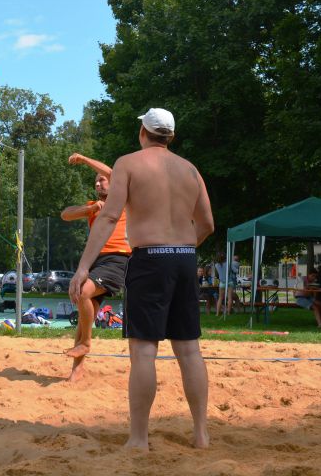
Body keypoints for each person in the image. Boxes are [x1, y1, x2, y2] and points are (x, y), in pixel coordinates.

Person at [69, 107, 214, 450]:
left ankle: (138, 439)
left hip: (149, 259)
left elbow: (109, 218)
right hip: (185, 258)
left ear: (143, 133)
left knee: (144, 352)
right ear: (171, 137)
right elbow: (207, 225)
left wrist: (83, 267)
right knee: (189, 350)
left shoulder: (128, 163)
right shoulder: (190, 170)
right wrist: (180, 250)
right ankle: (201, 435)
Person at [60, 152, 131, 382]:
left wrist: (84, 159)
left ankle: (86, 343)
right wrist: (89, 210)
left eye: (102, 180)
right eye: (96, 182)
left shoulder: (124, 200)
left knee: (83, 292)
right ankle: (77, 370)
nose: (98, 183)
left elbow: (112, 172)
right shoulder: (94, 206)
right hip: (95, 261)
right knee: (84, 316)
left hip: (118, 259)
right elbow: (65, 214)